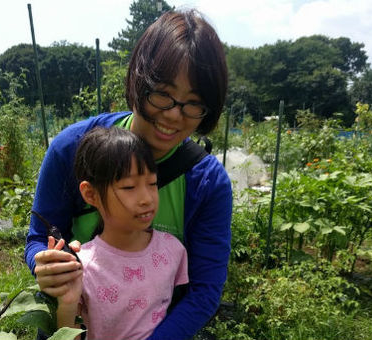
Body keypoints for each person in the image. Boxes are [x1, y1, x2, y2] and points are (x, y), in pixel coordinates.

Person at [25, 9, 232, 340]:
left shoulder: (206, 182)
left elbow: (204, 292)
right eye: (163, 93)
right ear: (139, 80)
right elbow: (39, 236)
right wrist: (44, 264)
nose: (174, 116)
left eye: (193, 103)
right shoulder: (72, 149)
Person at [53, 126, 189, 340]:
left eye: (152, 184)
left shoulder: (172, 250)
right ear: (91, 194)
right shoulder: (82, 267)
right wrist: (68, 305)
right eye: (129, 187)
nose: (147, 198)